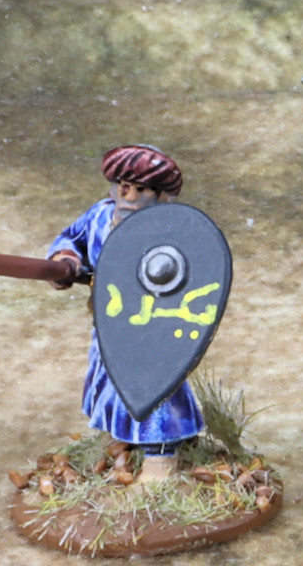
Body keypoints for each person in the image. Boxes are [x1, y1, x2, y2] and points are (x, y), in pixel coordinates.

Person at [44, 143, 202, 486]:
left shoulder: (172, 230)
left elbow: (192, 280)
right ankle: (119, 438)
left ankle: (161, 457)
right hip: (108, 321)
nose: (128, 195)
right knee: (106, 378)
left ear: (162, 196)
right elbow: (71, 239)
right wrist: (65, 260)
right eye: (124, 186)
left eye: (141, 189)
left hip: (153, 326)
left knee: (155, 385)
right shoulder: (99, 216)